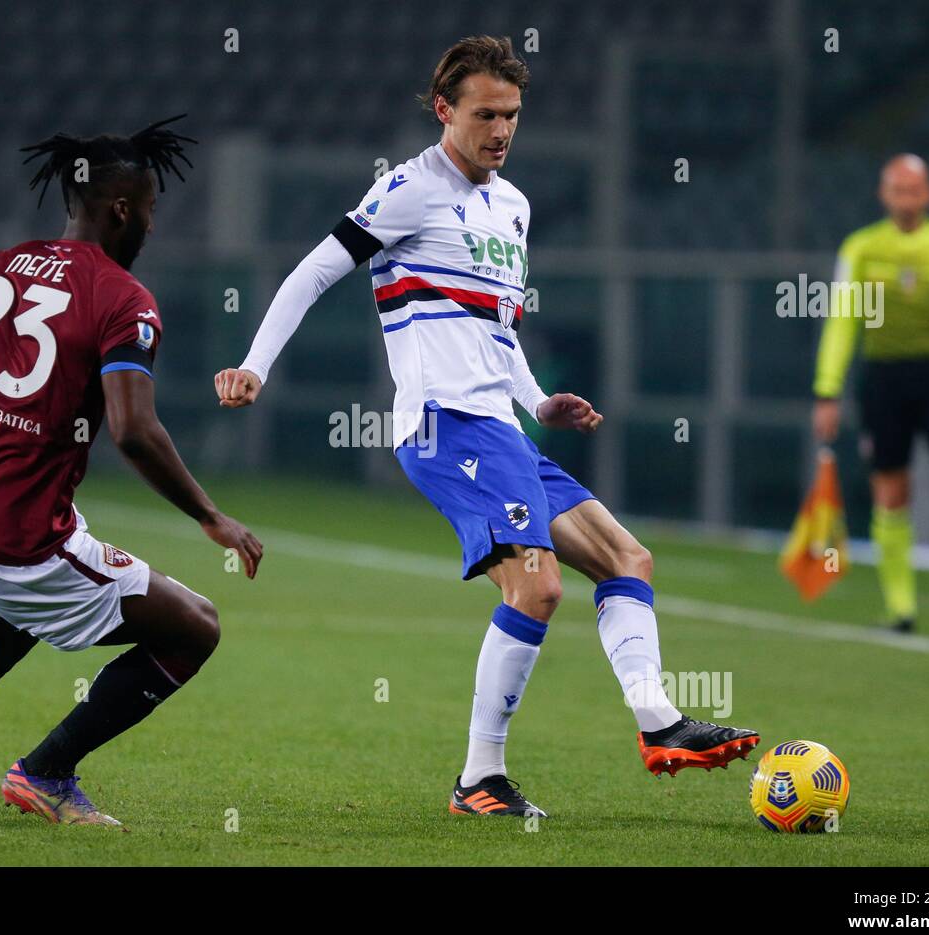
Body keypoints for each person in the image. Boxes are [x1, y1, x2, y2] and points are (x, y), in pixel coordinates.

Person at [214, 38, 757, 817]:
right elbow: (313, 272)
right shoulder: (406, 190)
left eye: (511, 116)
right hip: (444, 425)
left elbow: (495, 328)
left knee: (625, 556)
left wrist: (537, 403)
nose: (501, 131)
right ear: (445, 111)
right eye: (485, 115)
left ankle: (659, 723)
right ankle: (480, 779)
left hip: (501, 424)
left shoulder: (514, 206)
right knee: (537, 588)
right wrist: (256, 365)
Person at [0, 119, 263, 826]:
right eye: (152, 210)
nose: (154, 226)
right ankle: (45, 772)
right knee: (196, 626)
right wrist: (209, 516)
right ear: (122, 209)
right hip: (19, 537)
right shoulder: (122, 297)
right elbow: (134, 431)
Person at [812, 154, 929, 635]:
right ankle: (901, 610)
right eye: (897, 189)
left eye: (913, 189)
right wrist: (828, 389)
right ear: (884, 194)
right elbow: (842, 320)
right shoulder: (861, 248)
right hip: (883, 380)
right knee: (890, 492)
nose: (905, 197)